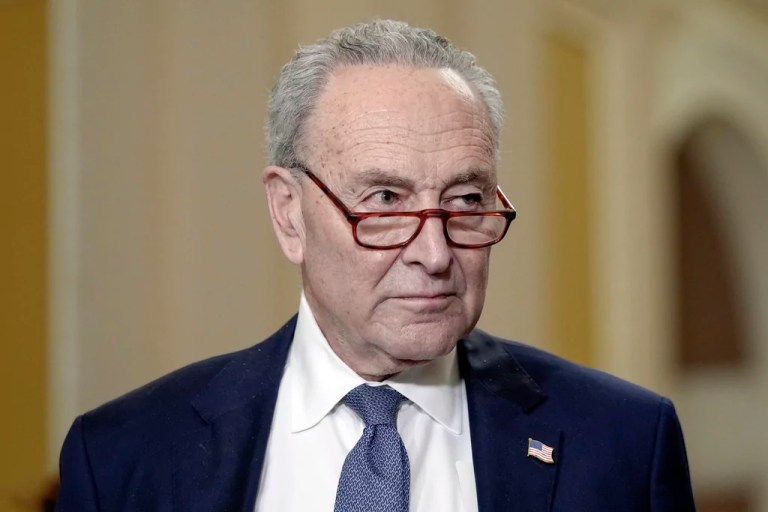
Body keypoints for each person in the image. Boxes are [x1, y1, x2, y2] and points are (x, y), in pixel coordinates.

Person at [56, 19, 695, 511]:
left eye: (465, 200)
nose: (436, 253)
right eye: (385, 201)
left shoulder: (623, 444)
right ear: (289, 214)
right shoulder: (125, 457)